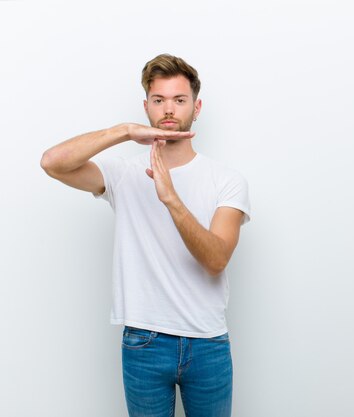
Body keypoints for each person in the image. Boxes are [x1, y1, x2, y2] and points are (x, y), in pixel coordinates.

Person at [40, 53, 250, 417]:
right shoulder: (123, 173)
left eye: (179, 100)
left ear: (196, 107)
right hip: (144, 342)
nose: (169, 109)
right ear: (146, 106)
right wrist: (123, 131)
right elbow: (52, 162)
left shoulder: (227, 180)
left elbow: (216, 260)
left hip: (208, 345)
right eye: (159, 100)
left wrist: (171, 199)